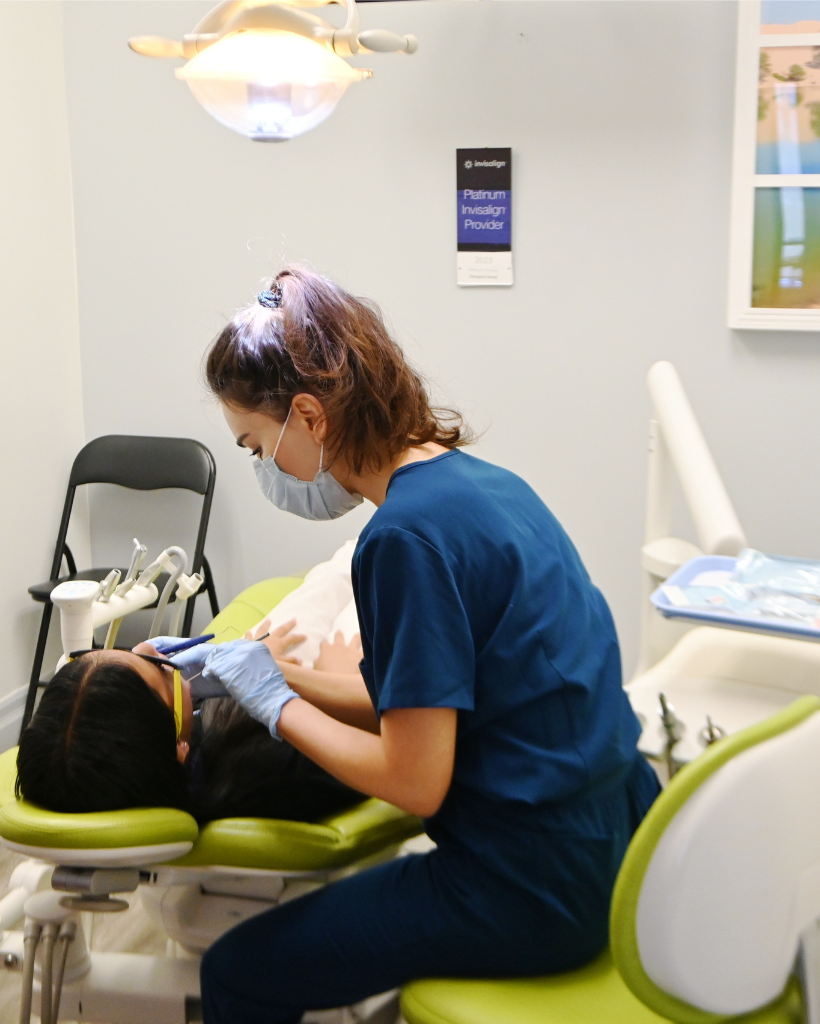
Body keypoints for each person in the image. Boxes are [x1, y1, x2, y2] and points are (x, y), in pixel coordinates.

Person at [193, 264, 661, 1024]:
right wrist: (279, 674)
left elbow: (414, 781)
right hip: (616, 838)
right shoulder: (482, 484)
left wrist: (275, 706)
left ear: (309, 417)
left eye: (255, 446)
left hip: (530, 888)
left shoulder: (403, 540)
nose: (266, 468)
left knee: (238, 972)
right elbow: (416, 702)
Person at [16, 612, 365, 824]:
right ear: (180, 747)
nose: (149, 647)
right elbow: (379, 734)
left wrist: (258, 661)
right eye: (159, 669)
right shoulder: (276, 768)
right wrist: (331, 678)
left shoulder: (149, 758)